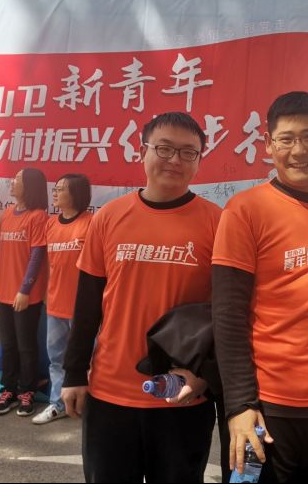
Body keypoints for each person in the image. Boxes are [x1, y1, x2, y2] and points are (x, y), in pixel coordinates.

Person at [212, 91, 308, 482]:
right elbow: (228, 315)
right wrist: (240, 404)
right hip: (269, 407)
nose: (299, 150)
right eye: (286, 139)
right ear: (269, 144)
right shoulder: (245, 210)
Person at [62, 112, 221, 483]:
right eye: (164, 148)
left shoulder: (218, 223)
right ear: (142, 151)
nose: (175, 160)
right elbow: (87, 304)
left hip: (183, 394)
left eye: (188, 152)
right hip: (110, 394)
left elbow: (229, 313)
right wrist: (74, 373)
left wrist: (204, 377)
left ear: (199, 160)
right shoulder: (109, 217)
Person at [0, 168, 49, 417]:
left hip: (26, 295)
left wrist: (24, 289)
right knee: (8, 344)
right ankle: (8, 390)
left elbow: (37, 256)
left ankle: (27, 390)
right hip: (2, 291)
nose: (12, 183)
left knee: (26, 345)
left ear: (30, 186)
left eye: (18, 180)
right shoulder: (8, 213)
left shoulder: (38, 216)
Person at [32, 173, 92, 425]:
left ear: (76, 193)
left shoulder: (91, 223)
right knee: (57, 360)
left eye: (61, 189)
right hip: (55, 306)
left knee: (89, 360)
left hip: (84, 310)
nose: (55, 193)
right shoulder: (50, 224)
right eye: (55, 188)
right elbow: (48, 265)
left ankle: (90, 406)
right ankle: (57, 404)